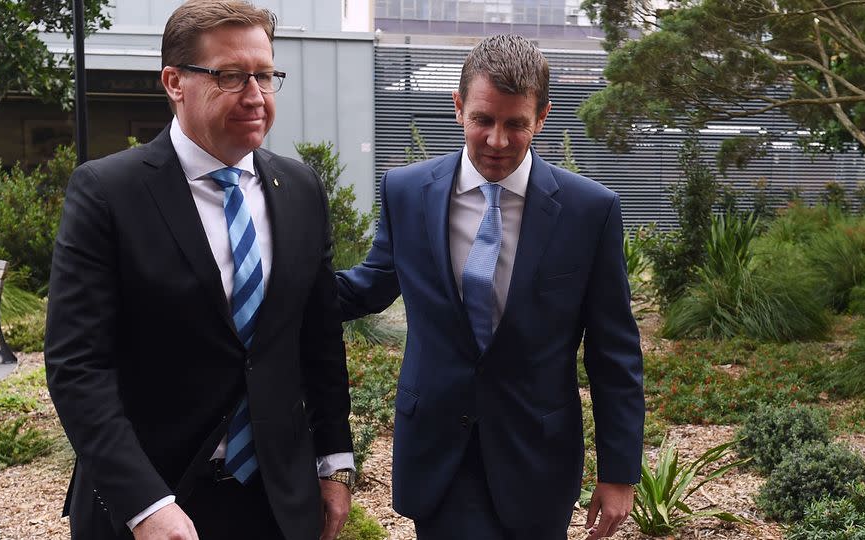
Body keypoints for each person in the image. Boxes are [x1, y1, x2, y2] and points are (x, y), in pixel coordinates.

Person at [45, 2, 355, 539]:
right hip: (152, 503)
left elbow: (320, 343)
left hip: (275, 503)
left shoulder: (301, 190)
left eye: (264, 74)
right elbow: (77, 366)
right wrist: (144, 504)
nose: (255, 95)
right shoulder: (108, 193)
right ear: (174, 82)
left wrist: (334, 463)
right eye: (231, 76)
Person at [337, 34, 645, 539]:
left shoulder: (591, 212)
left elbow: (615, 354)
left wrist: (619, 472)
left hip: (536, 458)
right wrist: (278, 287)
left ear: (541, 117)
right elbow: (369, 287)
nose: (497, 141)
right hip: (437, 452)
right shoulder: (406, 191)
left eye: (515, 124)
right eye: (483, 119)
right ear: (458, 108)